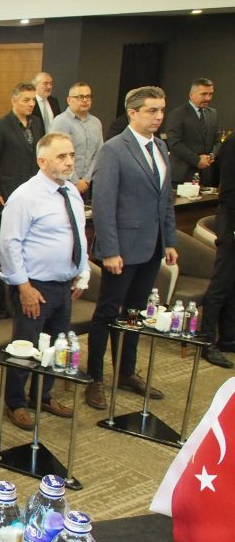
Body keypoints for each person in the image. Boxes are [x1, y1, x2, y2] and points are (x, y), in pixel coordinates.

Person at [84, 86, 178, 409]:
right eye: (152, 110)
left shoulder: (161, 146)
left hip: (152, 246)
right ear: (132, 113)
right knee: (108, 313)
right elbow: (103, 204)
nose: (159, 116)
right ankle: (94, 378)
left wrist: (170, 240)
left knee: (135, 312)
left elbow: (165, 200)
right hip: (121, 249)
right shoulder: (114, 149)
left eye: (161, 110)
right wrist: (110, 250)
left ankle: (126, 372)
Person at [0, 133, 89, 429]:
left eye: (71, 155)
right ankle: (15, 403)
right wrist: (23, 287)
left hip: (64, 285)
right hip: (35, 286)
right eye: (61, 156)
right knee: (25, 346)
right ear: (42, 161)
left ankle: (43, 396)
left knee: (55, 346)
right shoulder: (25, 196)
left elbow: (79, 235)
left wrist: (83, 271)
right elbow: (9, 244)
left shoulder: (71, 192)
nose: (69, 162)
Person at [197, 134, 235, 368]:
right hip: (231, 220)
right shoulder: (232, 143)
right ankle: (207, 341)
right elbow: (228, 190)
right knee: (221, 284)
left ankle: (228, 338)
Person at [0, 82, 44, 206]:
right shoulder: (0, 127)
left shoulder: (37, 123)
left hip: (34, 188)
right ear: (14, 101)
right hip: (10, 189)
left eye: (33, 100)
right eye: (26, 100)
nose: (31, 104)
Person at [49, 82, 103, 196]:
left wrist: (87, 179)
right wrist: (75, 181)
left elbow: (99, 153)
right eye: (80, 97)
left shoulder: (96, 123)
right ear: (69, 100)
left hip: (87, 184)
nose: (85, 100)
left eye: (88, 97)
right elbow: (56, 154)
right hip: (63, 182)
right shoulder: (61, 121)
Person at [165, 78, 221, 186]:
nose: (208, 98)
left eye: (210, 94)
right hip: (182, 176)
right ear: (191, 95)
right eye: (203, 94)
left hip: (207, 176)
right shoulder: (177, 114)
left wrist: (211, 156)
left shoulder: (213, 114)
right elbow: (175, 143)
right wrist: (197, 160)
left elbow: (218, 141)